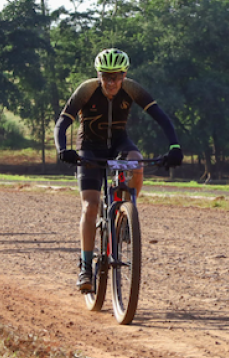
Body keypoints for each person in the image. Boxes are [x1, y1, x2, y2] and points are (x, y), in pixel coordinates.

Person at [53, 48, 184, 291]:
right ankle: (85, 266)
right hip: (90, 148)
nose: (111, 82)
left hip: (119, 145)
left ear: (124, 75)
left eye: (116, 76)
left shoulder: (132, 89)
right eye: (106, 76)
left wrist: (175, 146)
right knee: (91, 205)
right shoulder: (86, 90)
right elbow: (63, 122)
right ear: (99, 75)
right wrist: (63, 148)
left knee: (135, 160)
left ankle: (126, 214)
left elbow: (162, 118)